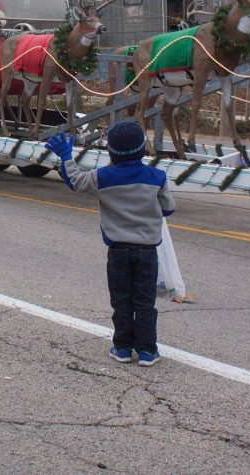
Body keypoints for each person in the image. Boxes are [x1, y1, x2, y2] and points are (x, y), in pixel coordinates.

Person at [45, 121, 175, 367]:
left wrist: (66, 157)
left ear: (111, 151)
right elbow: (168, 209)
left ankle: (123, 347)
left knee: (121, 299)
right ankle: (147, 350)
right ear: (142, 150)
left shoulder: (104, 176)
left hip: (118, 251)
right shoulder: (157, 177)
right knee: (145, 302)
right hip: (147, 252)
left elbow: (76, 182)